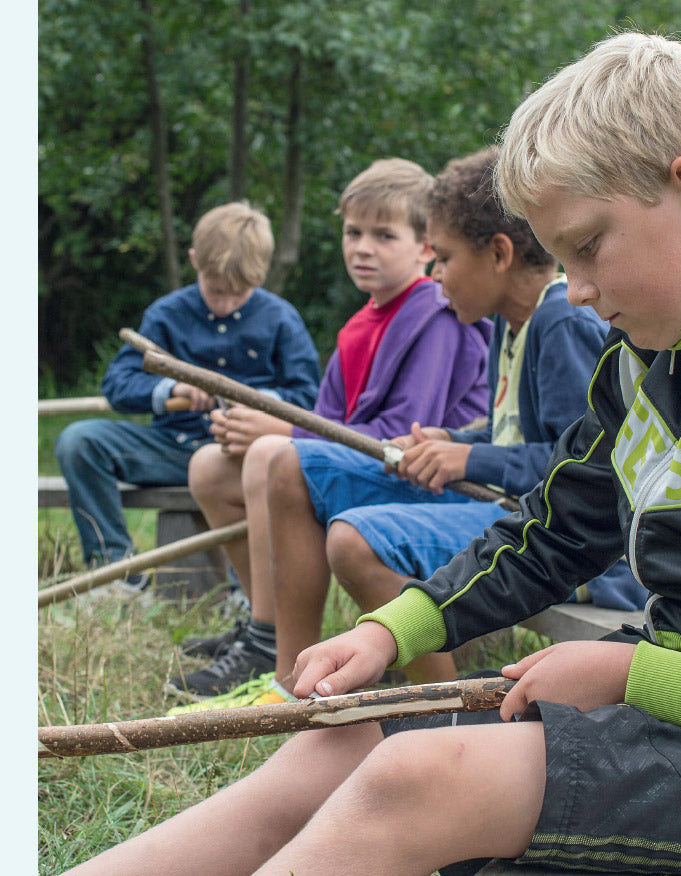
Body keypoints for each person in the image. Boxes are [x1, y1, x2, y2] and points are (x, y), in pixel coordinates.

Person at [66, 32, 681, 876]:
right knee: (349, 738)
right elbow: (552, 534)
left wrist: (630, 674)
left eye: (584, 247)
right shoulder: (642, 365)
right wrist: (392, 629)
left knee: (416, 776)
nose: (573, 290)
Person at [169, 146, 644, 714]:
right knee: (295, 471)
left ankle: (442, 708)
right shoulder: (511, 325)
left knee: (351, 535)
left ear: (497, 255)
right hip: (506, 506)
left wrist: (470, 461)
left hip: (558, 540)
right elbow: (512, 433)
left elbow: (580, 467)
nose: (436, 275)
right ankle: (285, 668)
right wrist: (457, 442)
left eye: (442, 258)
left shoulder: (559, 320)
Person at [166, 157, 492, 699]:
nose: (362, 247)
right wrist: (282, 432)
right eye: (353, 232)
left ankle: (278, 650)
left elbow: (397, 435)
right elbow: (333, 424)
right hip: (368, 468)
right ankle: (260, 625)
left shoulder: (437, 316)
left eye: (383, 235)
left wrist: (284, 429)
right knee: (210, 467)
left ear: (425, 246)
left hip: (432, 485)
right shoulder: (359, 324)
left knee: (275, 454)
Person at [54, 201, 321, 595]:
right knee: (79, 441)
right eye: (216, 289)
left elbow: (309, 398)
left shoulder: (281, 318)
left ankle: (246, 595)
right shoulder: (167, 314)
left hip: (239, 458)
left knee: (268, 465)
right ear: (195, 260)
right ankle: (116, 577)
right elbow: (118, 383)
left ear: (259, 274)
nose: (226, 302)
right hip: (170, 448)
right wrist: (172, 389)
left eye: (239, 293)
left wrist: (256, 402)